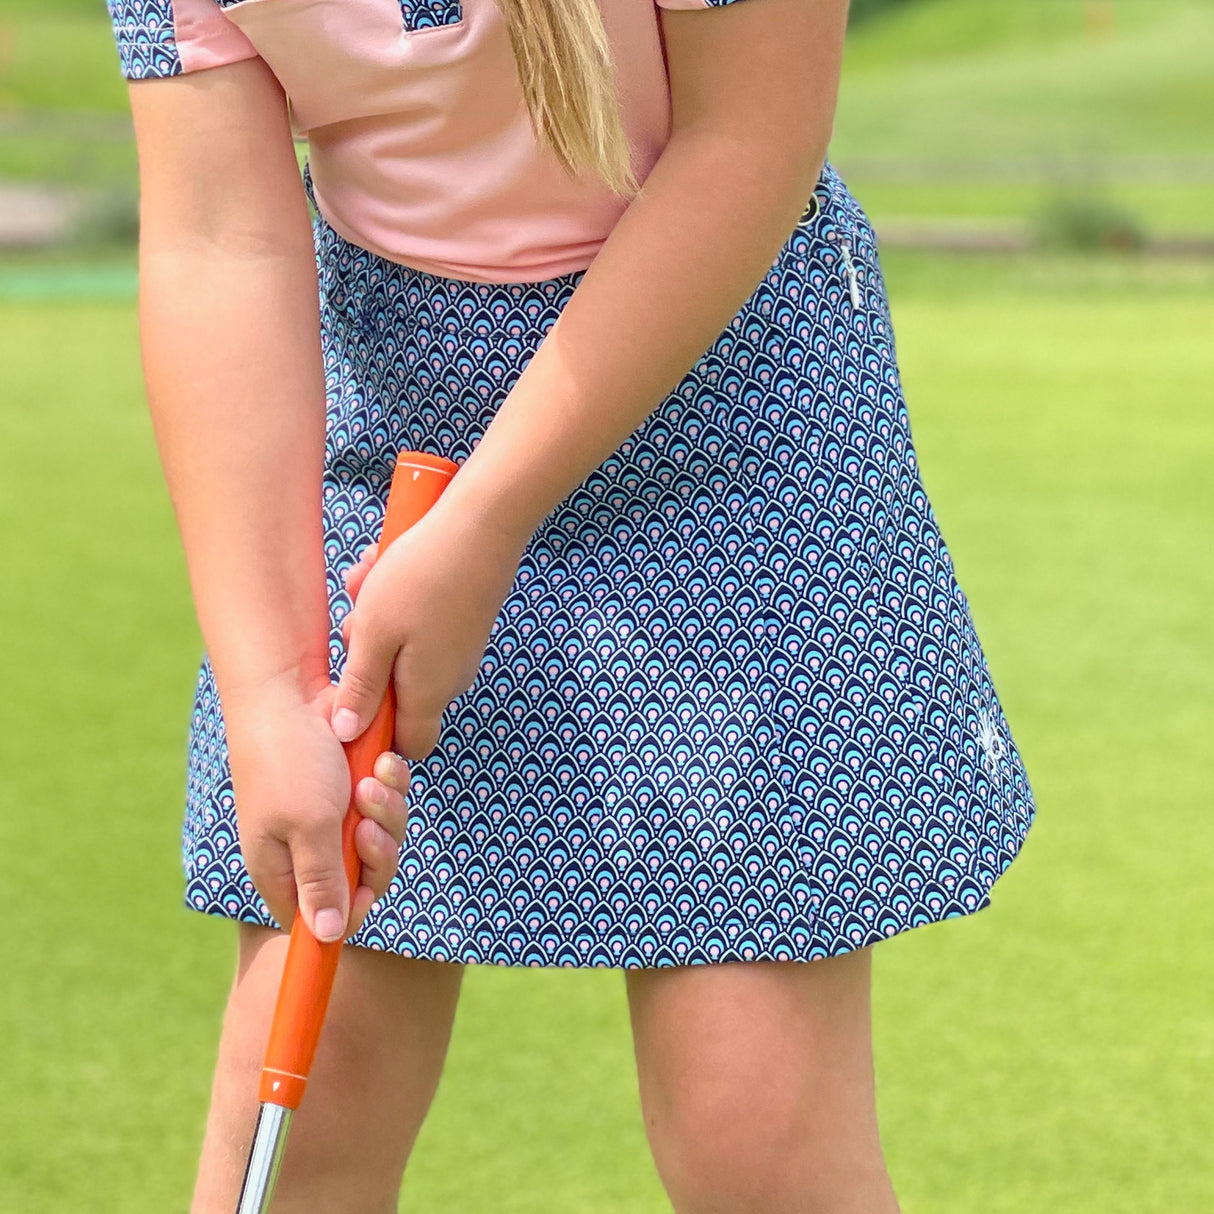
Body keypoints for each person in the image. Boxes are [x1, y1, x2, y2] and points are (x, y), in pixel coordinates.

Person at [106, 0, 1035, 1209]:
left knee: (747, 1121)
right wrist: (265, 693)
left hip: (719, 404)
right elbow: (215, 241)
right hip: (390, 433)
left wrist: (486, 525)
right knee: (310, 1088)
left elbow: (749, 138)